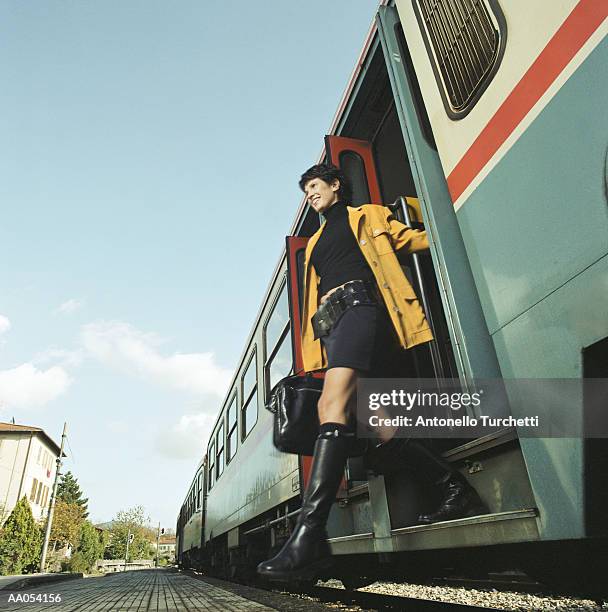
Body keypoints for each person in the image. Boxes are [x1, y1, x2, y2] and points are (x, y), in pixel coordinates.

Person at [257, 164, 485, 582]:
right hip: (335, 324)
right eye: (305, 190)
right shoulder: (315, 242)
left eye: (314, 186)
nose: (310, 194)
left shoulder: (369, 215)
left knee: (332, 402)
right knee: (380, 425)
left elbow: (413, 237)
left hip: (362, 306)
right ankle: (454, 487)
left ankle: (310, 538)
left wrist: (467, 214)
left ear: (334, 185)